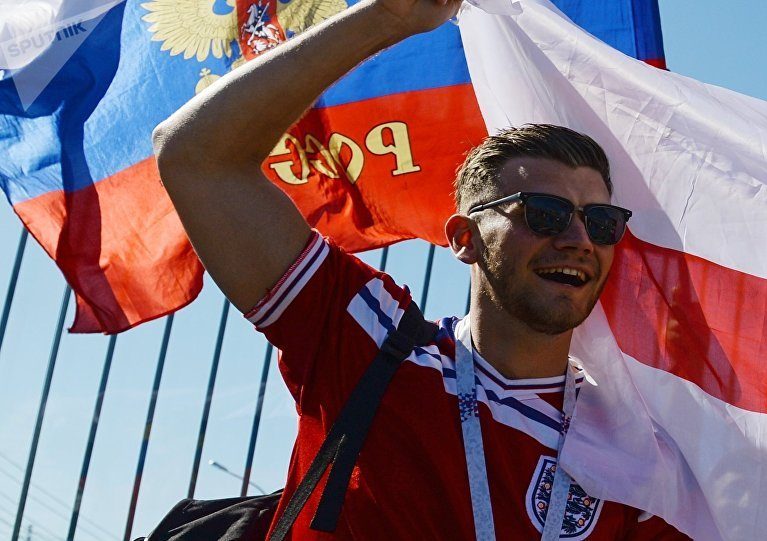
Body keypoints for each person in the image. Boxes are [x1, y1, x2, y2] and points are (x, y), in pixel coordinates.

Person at [152, 0, 689, 538]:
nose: (578, 241)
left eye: (601, 222)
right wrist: (388, 18)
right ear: (463, 238)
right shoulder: (370, 337)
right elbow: (195, 158)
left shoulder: (637, 455)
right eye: (544, 214)